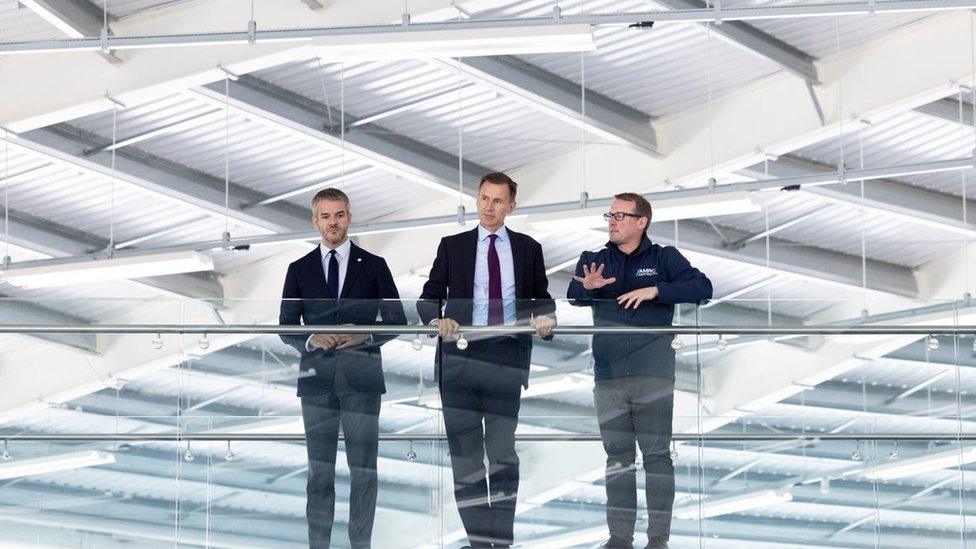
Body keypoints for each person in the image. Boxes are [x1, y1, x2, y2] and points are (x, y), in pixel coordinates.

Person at [418, 172, 556, 548]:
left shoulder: (528, 248)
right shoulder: (453, 245)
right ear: (475, 201)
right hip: (459, 359)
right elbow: (427, 297)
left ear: (511, 206)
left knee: (502, 454)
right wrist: (437, 318)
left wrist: (545, 319)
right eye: (483, 199)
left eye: (497, 201)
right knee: (466, 458)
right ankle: (481, 541)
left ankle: (502, 540)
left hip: (505, 359)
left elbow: (542, 301)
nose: (489, 207)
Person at [567, 193, 712, 549]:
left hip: (654, 372)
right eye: (610, 214)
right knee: (618, 457)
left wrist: (656, 290)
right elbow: (573, 294)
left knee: (656, 455)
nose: (611, 220)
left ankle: (658, 540)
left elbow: (702, 288)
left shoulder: (664, 258)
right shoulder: (595, 260)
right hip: (608, 376)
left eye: (619, 215)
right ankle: (619, 539)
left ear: (641, 221)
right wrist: (587, 288)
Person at [279, 187, 406, 549]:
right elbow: (285, 324)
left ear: (349, 217)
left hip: (362, 379)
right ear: (314, 221)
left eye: (339, 215)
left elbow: (397, 320)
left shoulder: (375, 265)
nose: (332, 223)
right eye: (325, 216)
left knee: (364, 471)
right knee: (319, 471)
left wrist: (364, 335)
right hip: (316, 379)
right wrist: (310, 338)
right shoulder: (298, 269)